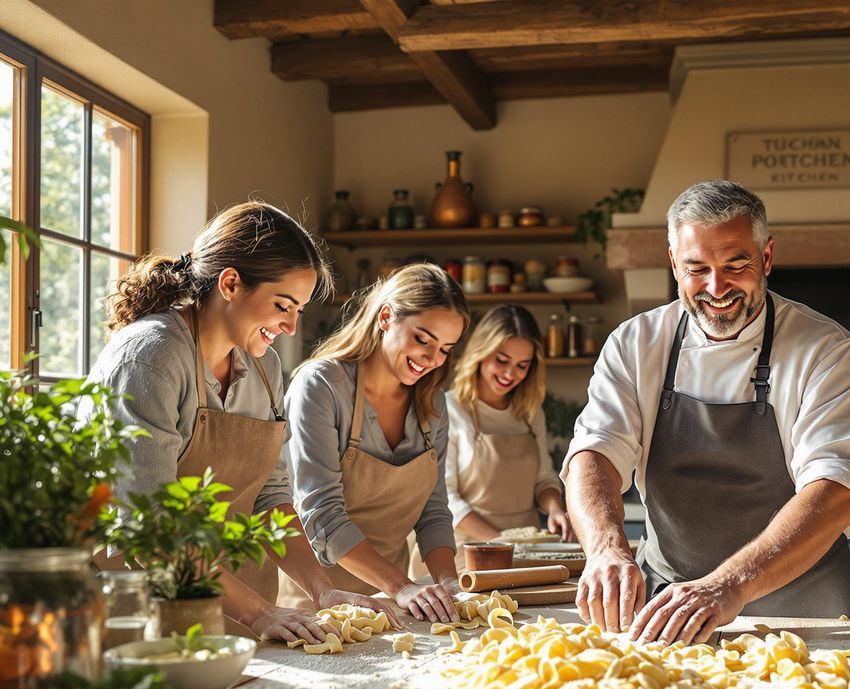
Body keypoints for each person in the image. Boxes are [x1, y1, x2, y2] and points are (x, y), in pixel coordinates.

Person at [563, 180, 850, 644]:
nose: (716, 287)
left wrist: (728, 585)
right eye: (696, 268)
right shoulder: (635, 344)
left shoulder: (826, 350)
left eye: (736, 264)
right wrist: (607, 550)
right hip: (669, 606)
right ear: (674, 264)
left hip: (804, 613)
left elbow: (835, 492)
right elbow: (594, 453)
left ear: (766, 257)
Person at [87, 201, 394, 644]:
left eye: (298, 311)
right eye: (282, 305)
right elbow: (150, 530)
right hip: (142, 615)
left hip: (238, 607)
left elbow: (270, 497)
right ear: (230, 283)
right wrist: (259, 613)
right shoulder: (150, 356)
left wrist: (323, 590)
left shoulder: (265, 369)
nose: (290, 327)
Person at [279, 263, 469, 623]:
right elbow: (321, 515)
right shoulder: (321, 386)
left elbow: (433, 508)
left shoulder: (433, 402)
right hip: (319, 602)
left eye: (446, 348)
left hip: (396, 602)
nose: (432, 360)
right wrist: (403, 586)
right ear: (385, 317)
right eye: (422, 339)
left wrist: (448, 583)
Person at [445, 305, 572, 555]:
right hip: (467, 552)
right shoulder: (450, 409)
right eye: (502, 360)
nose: (510, 374)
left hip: (530, 552)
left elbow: (544, 479)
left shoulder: (530, 413)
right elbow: (445, 500)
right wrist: (503, 542)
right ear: (480, 353)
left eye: (522, 365)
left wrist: (556, 508)